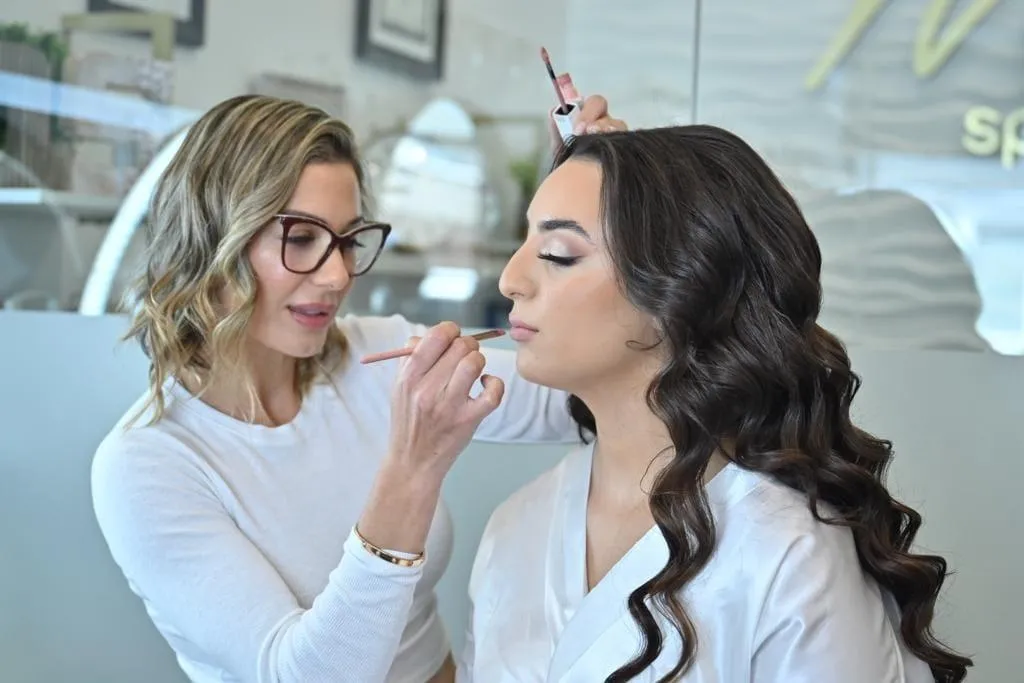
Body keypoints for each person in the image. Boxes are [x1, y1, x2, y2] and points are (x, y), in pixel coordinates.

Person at [89, 93, 625, 683]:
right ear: (213, 241)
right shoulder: (147, 466)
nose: (338, 274)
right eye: (300, 240)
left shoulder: (379, 354)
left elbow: (590, 404)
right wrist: (414, 467)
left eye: (347, 241)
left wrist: (596, 212)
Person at [459, 126, 974, 682]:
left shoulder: (787, 555)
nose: (511, 279)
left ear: (682, 289)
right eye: (524, 241)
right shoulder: (515, 526)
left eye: (558, 254)